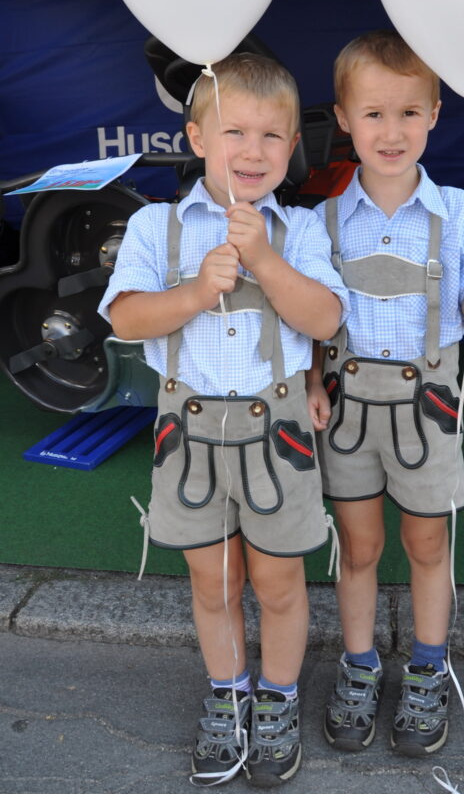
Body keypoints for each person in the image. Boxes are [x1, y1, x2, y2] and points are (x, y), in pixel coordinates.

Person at [98, 52, 348, 788]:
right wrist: (193, 293)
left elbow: (326, 316)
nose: (254, 150)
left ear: (290, 149)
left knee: (278, 584)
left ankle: (276, 699)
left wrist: (264, 260)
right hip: (191, 432)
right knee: (214, 584)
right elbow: (124, 316)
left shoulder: (298, 229)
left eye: (273, 136)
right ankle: (226, 693)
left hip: (277, 434)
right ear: (197, 136)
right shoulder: (157, 226)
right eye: (235, 131)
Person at [306, 29, 464, 759]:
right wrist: (308, 384)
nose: (391, 132)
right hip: (349, 406)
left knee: (427, 541)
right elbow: (309, 325)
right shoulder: (320, 222)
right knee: (359, 546)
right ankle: (359, 664)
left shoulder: (460, 214)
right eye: (373, 114)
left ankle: (427, 665)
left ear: (435, 112)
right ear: (344, 117)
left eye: (408, 113)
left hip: (428, 407)